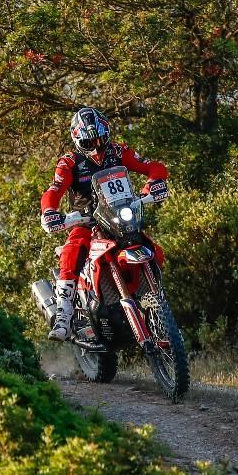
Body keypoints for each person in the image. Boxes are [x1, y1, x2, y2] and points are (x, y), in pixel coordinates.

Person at [39, 107, 170, 340]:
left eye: (101, 139)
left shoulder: (118, 150)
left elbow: (154, 166)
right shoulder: (70, 162)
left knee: (155, 251)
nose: (97, 147)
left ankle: (156, 305)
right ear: (78, 141)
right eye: (90, 142)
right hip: (86, 221)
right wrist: (50, 212)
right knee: (71, 252)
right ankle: (64, 316)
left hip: (118, 218)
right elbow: (54, 190)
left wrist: (154, 183)